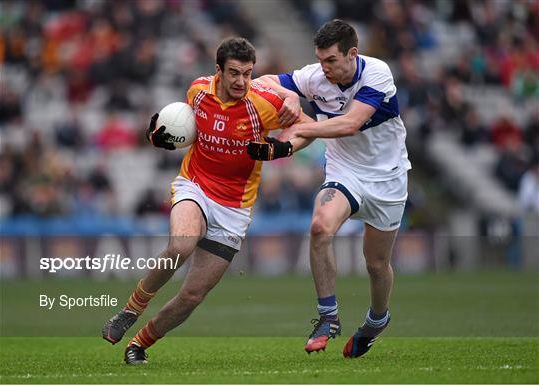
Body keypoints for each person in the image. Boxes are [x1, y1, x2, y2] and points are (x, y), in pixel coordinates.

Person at [102, 37, 309, 365]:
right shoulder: (197, 91)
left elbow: (307, 128)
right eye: (234, 73)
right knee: (181, 245)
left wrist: (282, 148)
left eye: (248, 73)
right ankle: (131, 309)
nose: (242, 81)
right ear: (218, 71)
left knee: (192, 295)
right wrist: (162, 136)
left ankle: (139, 344)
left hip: (234, 207)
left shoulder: (263, 104)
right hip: (195, 187)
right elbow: (187, 131)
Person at [249, 19, 411, 358]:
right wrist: (289, 98)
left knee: (376, 264)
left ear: (352, 54)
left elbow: (350, 124)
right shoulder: (315, 77)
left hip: (387, 179)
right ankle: (328, 317)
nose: (324, 69)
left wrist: (297, 134)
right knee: (320, 227)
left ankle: (377, 321)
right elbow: (261, 82)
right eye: (320, 60)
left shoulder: (377, 74)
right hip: (345, 172)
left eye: (331, 61)